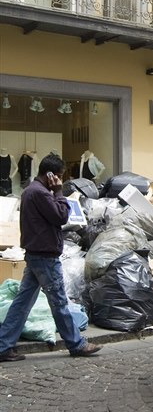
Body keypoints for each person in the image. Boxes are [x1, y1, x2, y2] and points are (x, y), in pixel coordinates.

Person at [0, 153, 102, 362]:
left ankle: (3, 345)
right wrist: (58, 192)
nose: (60, 180)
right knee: (59, 303)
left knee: (22, 302)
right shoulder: (43, 193)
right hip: (45, 257)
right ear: (51, 175)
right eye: (59, 176)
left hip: (35, 254)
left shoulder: (30, 191)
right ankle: (76, 344)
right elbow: (61, 216)